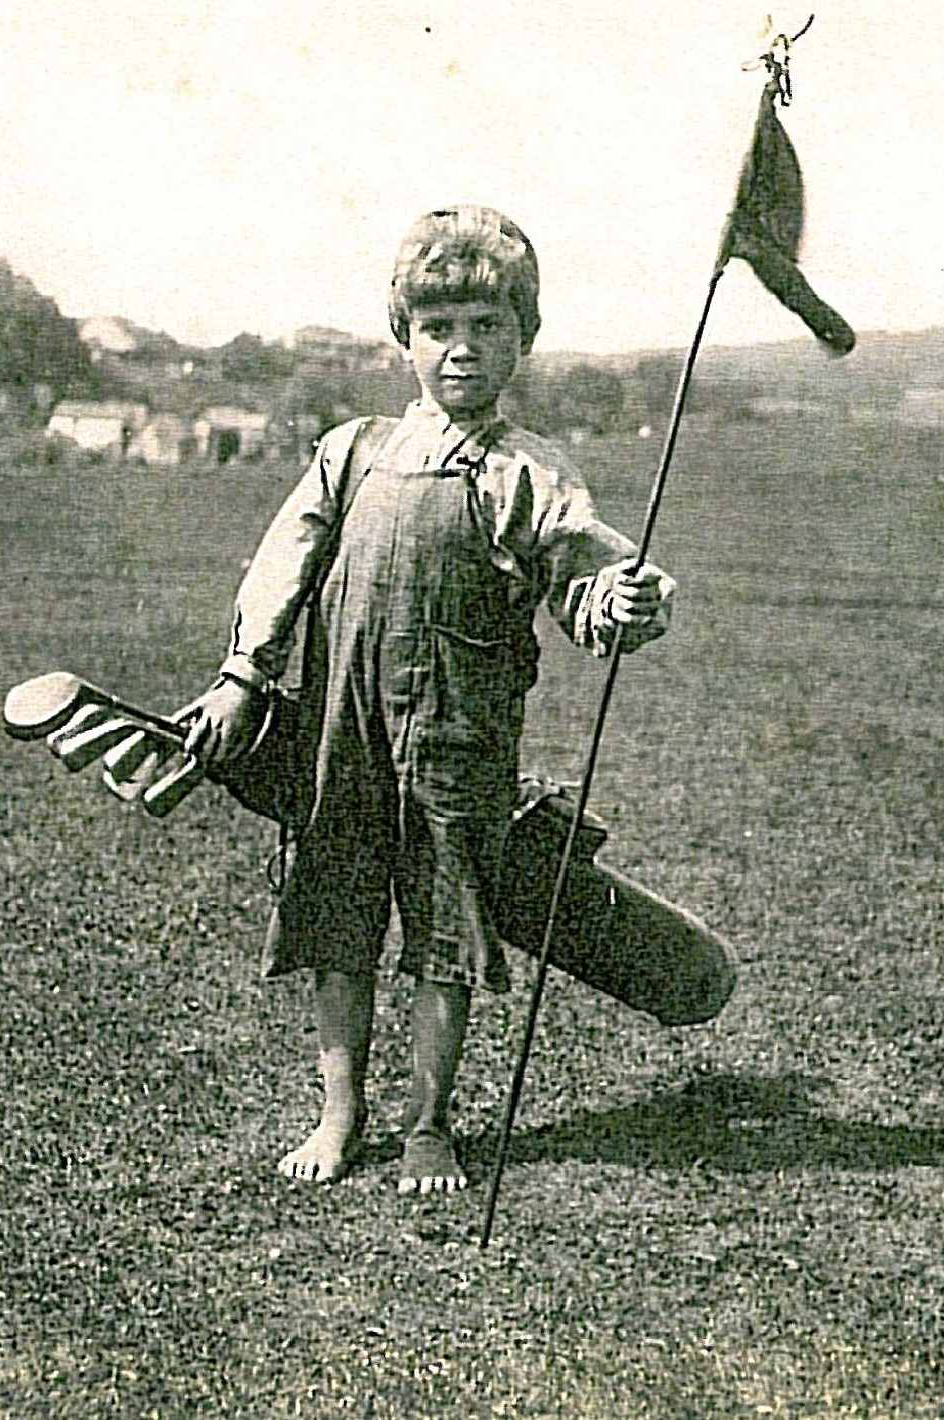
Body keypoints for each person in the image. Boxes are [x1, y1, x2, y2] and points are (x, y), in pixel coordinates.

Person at [180, 205, 676, 1195]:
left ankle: (428, 1124)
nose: (461, 350)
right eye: (438, 327)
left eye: (487, 327)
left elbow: (588, 585)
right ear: (404, 336)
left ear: (521, 339)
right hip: (341, 727)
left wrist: (623, 599)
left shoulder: (530, 470)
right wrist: (243, 677)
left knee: (445, 932)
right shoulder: (352, 450)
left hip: (459, 738)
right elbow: (280, 568)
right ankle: (339, 1109)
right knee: (338, 918)